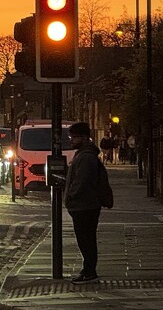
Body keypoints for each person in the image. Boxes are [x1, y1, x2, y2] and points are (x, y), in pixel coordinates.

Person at [64, 121, 106, 284]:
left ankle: (89, 271)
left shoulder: (86, 156)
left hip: (85, 205)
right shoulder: (85, 154)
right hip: (84, 205)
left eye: (74, 137)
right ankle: (88, 270)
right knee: (86, 239)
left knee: (86, 240)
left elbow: (82, 181)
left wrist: (71, 197)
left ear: (83, 137)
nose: (72, 140)